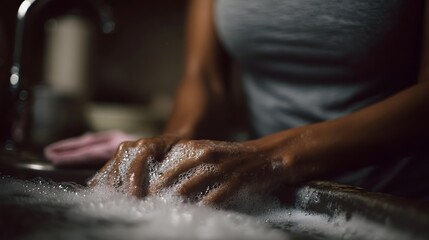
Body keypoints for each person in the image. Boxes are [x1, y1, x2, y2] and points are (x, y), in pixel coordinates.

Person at [46, 0, 429, 204]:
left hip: (391, 204)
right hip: (271, 201)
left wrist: (273, 157)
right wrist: (175, 142)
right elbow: (205, 79)